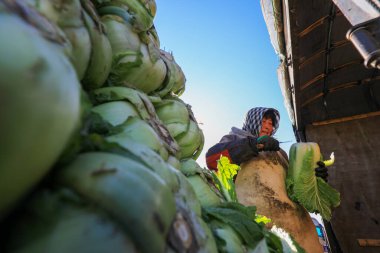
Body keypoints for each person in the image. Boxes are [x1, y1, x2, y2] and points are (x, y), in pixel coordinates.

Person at [205, 107, 328, 253]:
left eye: (271, 124)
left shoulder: (280, 153)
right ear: (253, 121)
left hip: (301, 230)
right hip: (260, 230)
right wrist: (253, 145)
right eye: (264, 121)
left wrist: (313, 178)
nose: (269, 127)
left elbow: (296, 190)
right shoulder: (235, 139)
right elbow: (212, 160)